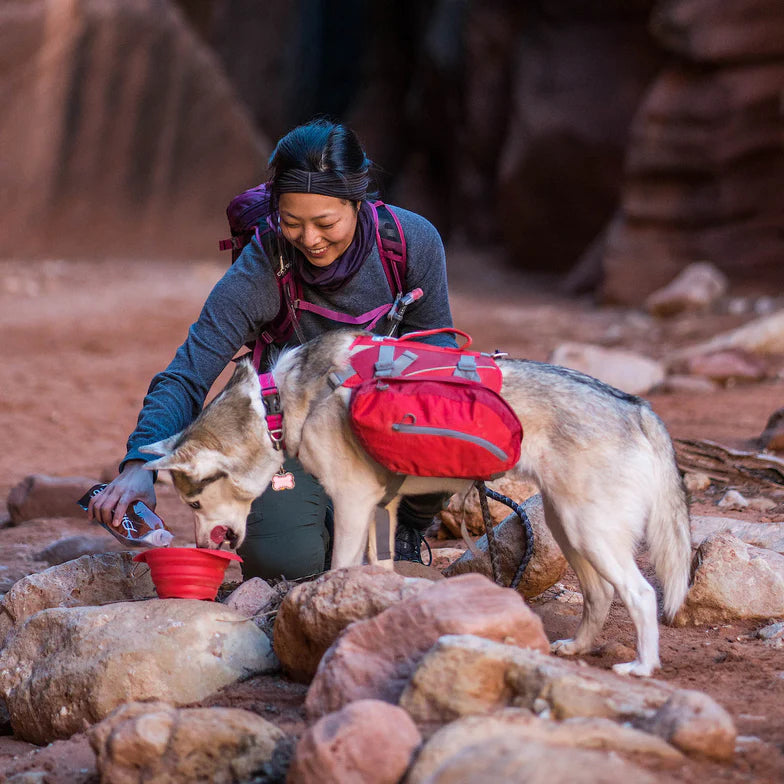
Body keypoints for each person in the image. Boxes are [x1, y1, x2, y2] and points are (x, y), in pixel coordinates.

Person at [88, 118, 455, 580]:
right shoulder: (263, 265)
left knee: (451, 415)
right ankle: (320, 516)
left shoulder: (409, 242)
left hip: (383, 425)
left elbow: (439, 349)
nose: (310, 240)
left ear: (358, 202)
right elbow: (189, 373)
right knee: (285, 562)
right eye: (291, 221)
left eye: (326, 222)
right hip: (289, 441)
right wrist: (141, 464)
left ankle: (407, 527)